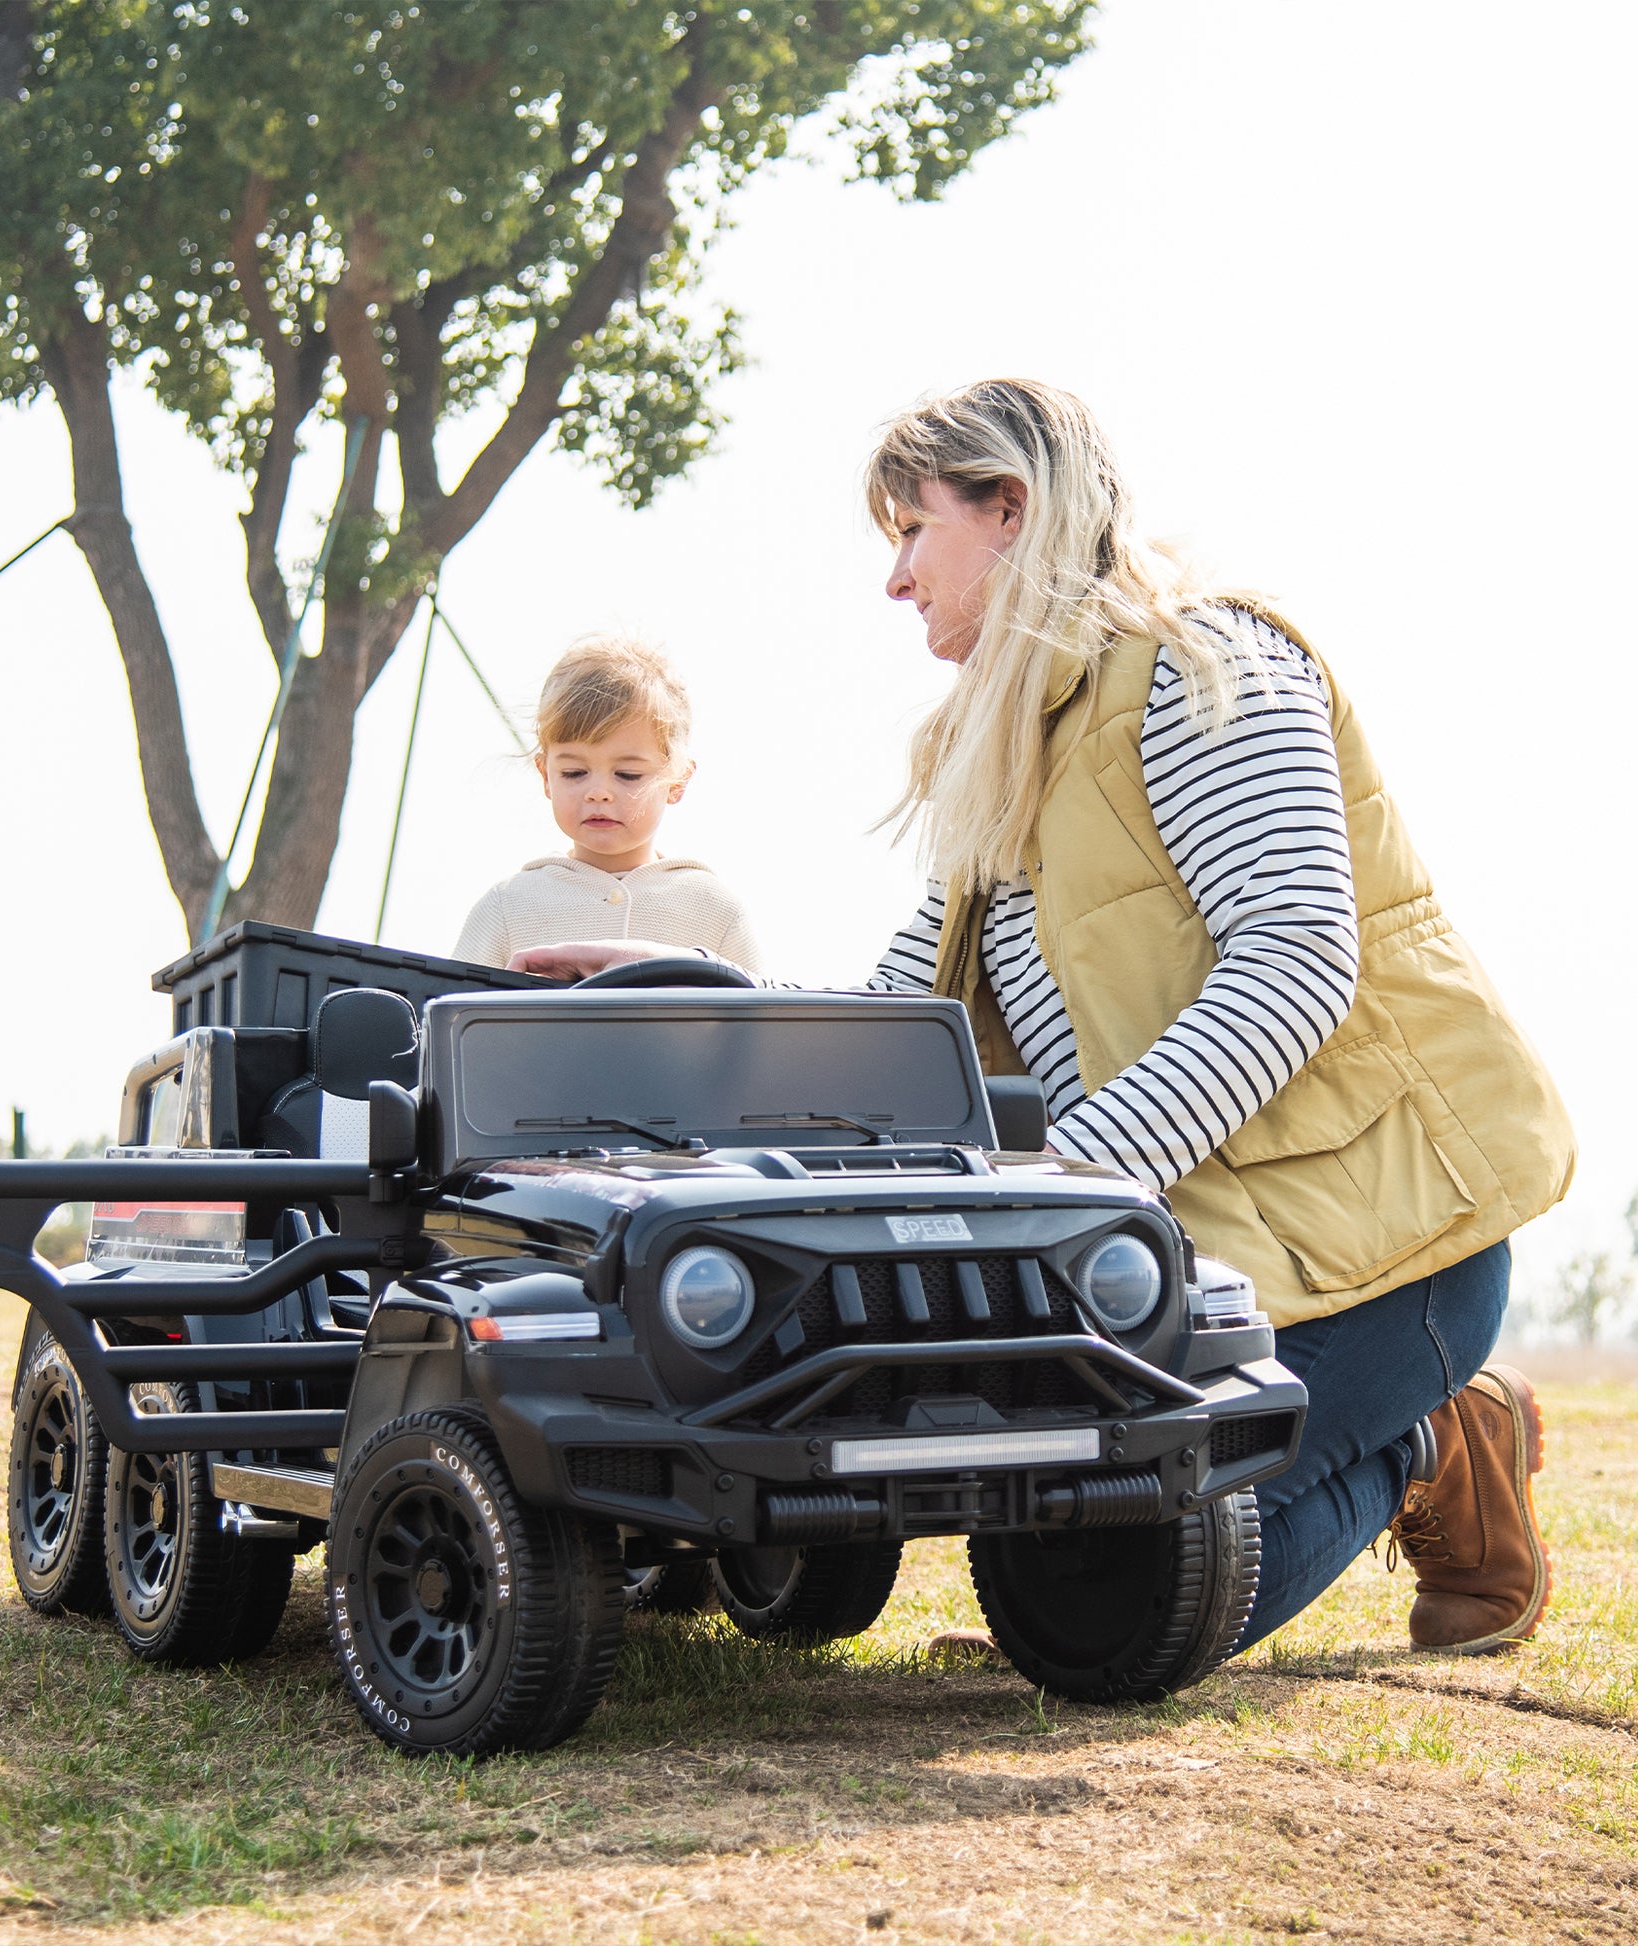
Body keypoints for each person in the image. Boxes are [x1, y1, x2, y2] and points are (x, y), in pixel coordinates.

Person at [510, 379, 1574, 1658]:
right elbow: (895, 1020)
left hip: (1391, 1246)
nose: (894, 578)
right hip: (1204, 1252)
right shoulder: (1008, 746)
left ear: (1008, 511)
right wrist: (673, 1003)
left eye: (912, 530)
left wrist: (1075, 1186)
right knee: (1039, 1572)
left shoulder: (1202, 666)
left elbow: (1295, 955)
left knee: (1111, 1628)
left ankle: (1432, 1435)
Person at [454, 634, 763, 972]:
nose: (598, 792)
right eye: (574, 772)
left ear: (677, 781)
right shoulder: (507, 907)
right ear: (546, 776)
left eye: (628, 774)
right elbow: (450, 1018)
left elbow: (762, 1021)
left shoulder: (714, 910)